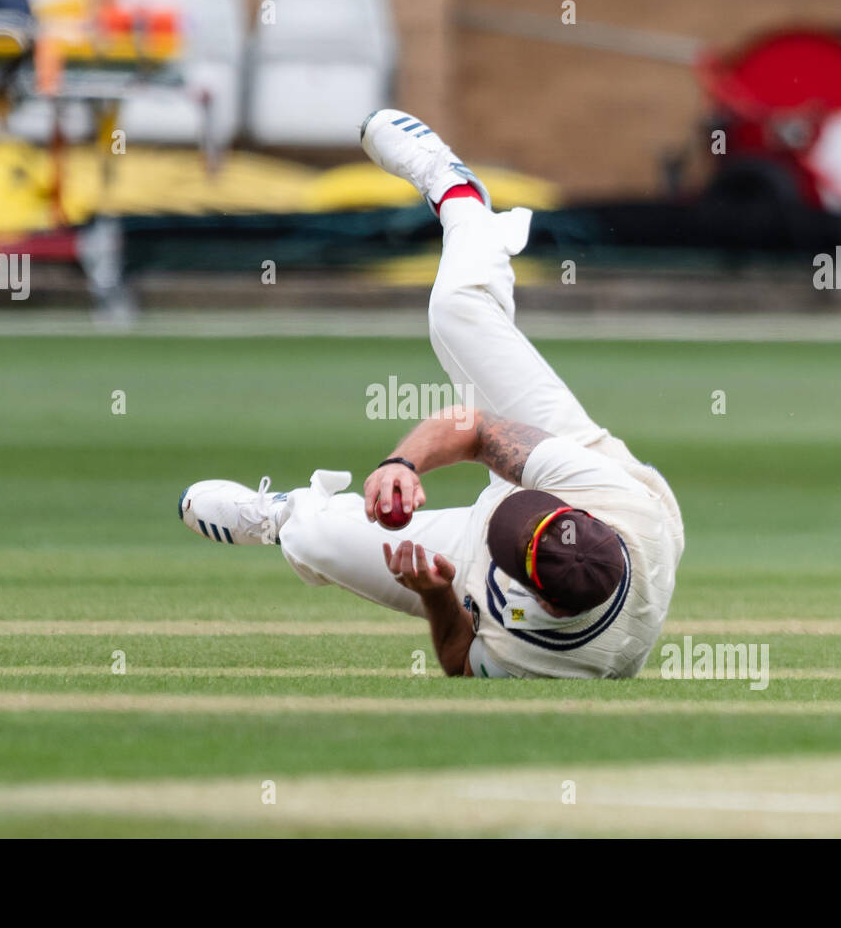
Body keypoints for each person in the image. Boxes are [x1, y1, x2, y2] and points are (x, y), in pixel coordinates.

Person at [178, 110, 684, 678]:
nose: (508, 513)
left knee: (314, 536)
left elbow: (459, 658)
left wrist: (437, 594)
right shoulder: (613, 504)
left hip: (477, 572)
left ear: (542, 602)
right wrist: (403, 463)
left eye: (512, 540)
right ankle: (456, 190)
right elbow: (475, 428)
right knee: (455, 312)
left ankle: (277, 516)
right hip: (590, 464)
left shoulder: (552, 662)